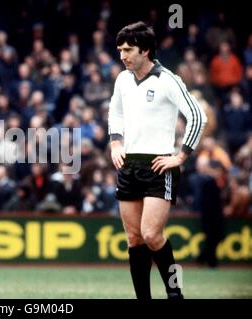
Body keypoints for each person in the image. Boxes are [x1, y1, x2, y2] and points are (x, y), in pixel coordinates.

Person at [108, 22, 207, 299]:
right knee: (134, 239)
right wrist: (116, 142)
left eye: (128, 50)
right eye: (119, 50)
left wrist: (181, 156)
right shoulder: (123, 79)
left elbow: (198, 116)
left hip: (158, 165)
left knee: (151, 234)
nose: (122, 56)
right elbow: (115, 113)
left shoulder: (168, 80)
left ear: (146, 50)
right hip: (128, 164)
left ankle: (175, 294)